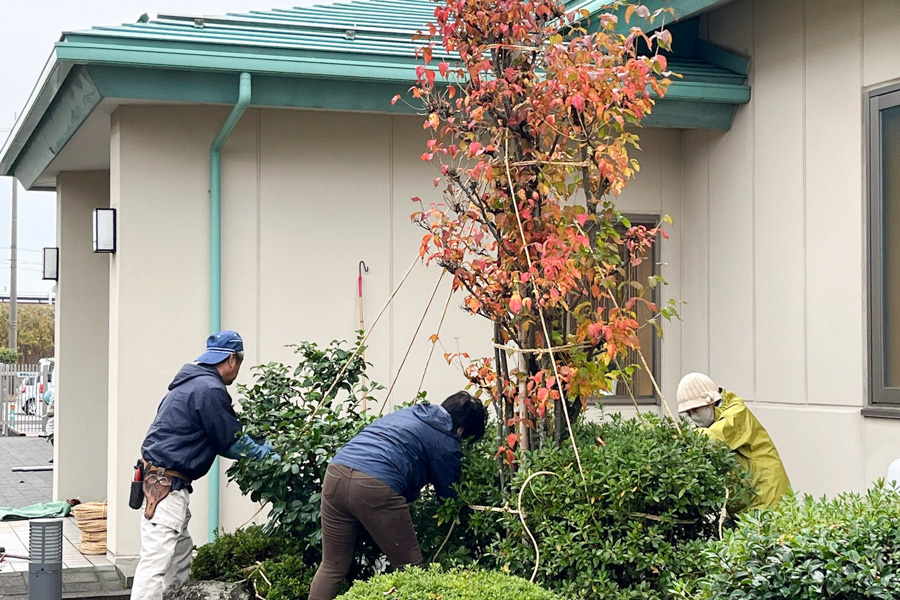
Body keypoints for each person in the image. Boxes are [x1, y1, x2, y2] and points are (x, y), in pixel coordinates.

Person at [131, 331, 279, 600]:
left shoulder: (188, 385)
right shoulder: (210, 390)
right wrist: (270, 454)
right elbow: (231, 441)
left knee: (179, 555)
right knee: (155, 565)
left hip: (162, 482)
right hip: (166, 487)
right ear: (232, 359)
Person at [308, 391, 488, 600]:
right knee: (410, 568)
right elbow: (449, 494)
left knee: (332, 565)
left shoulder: (413, 413)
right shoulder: (447, 441)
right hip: (374, 485)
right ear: (462, 429)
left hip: (336, 473)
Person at [677, 372, 790, 511]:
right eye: (688, 413)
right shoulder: (706, 426)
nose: (693, 416)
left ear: (711, 401)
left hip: (767, 492)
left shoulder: (736, 413)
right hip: (746, 499)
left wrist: (679, 440)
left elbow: (715, 438)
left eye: (695, 409)